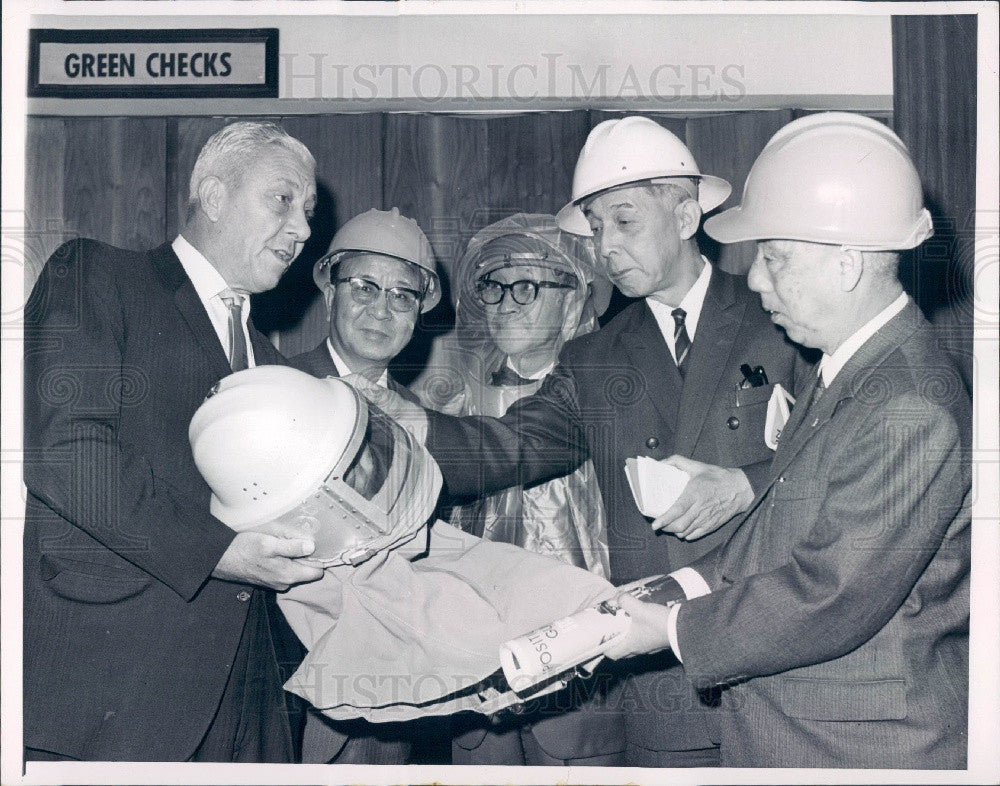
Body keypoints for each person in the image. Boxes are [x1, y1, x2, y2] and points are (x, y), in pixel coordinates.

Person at [357, 116, 812, 767]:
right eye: (595, 228)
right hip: (667, 688)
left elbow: (847, 460)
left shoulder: (782, 318)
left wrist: (746, 485)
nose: (605, 246)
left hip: (778, 664)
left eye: (623, 221)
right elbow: (509, 446)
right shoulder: (594, 358)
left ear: (686, 216)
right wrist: (404, 435)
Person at [604, 112, 970, 769]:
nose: (757, 280)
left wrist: (672, 628)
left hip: (858, 752)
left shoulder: (909, 405)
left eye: (774, 259)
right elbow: (779, 530)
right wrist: (673, 587)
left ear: (848, 263)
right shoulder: (848, 369)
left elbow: (832, 592)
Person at [23, 120, 324, 762]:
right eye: (283, 199)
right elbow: (68, 457)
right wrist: (218, 552)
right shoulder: (96, 277)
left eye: (308, 211)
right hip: (109, 704)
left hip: (248, 711)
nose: (302, 228)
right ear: (213, 194)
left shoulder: (277, 372)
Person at [420, 214, 621, 766]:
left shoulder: (610, 396)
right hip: (478, 687)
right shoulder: (450, 403)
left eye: (527, 286)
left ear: (576, 301)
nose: (505, 302)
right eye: (492, 286)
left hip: (584, 686)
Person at [288, 207, 441, 763]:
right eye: (365, 287)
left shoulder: (421, 422)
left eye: (402, 296)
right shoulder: (276, 388)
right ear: (330, 291)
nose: (382, 309)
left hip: (388, 701)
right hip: (287, 691)